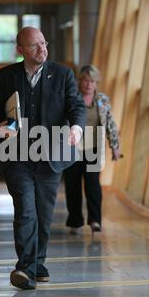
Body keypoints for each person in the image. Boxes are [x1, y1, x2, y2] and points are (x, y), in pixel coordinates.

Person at [0, 27, 86, 290]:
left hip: (50, 156)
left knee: (44, 214)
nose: (42, 49)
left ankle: (37, 262)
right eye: (34, 46)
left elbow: (76, 106)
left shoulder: (63, 74)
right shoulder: (7, 75)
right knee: (25, 210)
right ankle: (25, 268)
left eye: (44, 43)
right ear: (20, 50)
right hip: (17, 156)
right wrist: (0, 127)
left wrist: (76, 128)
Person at [64, 65, 122, 235]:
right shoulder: (72, 98)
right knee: (72, 185)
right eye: (85, 80)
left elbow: (110, 123)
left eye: (92, 81)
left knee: (92, 184)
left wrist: (115, 146)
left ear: (96, 83)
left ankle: (95, 220)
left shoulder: (102, 101)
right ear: (79, 81)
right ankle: (75, 220)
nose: (88, 84)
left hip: (93, 148)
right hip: (73, 148)